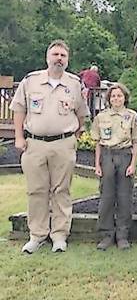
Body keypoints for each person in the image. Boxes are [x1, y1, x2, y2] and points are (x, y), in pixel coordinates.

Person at [10, 39, 89, 254]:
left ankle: (60, 236)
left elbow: (82, 114)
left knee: (61, 190)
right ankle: (37, 235)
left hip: (63, 144)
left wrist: (74, 135)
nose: (59, 59)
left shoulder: (74, 83)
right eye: (55, 55)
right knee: (37, 191)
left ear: (67, 59)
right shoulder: (31, 81)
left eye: (63, 56)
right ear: (47, 57)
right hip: (34, 144)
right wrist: (18, 137)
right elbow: (19, 110)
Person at [91, 83, 137, 250]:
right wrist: (97, 165)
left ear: (125, 98)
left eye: (119, 95)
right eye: (113, 96)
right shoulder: (101, 117)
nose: (116, 98)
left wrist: (132, 164)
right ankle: (107, 235)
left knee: (124, 197)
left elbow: (136, 141)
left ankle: (122, 235)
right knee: (107, 197)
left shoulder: (132, 116)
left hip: (124, 155)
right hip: (107, 156)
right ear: (109, 99)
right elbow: (98, 143)